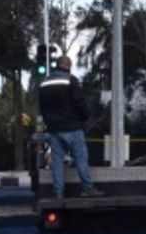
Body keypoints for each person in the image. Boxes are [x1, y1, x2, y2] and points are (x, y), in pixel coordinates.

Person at [38, 55, 102, 199]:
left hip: (54, 129)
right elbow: (79, 103)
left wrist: (49, 122)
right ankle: (87, 188)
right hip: (72, 126)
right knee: (80, 158)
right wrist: (85, 117)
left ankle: (58, 192)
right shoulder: (71, 81)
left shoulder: (44, 83)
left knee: (57, 161)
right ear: (67, 65)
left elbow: (42, 107)